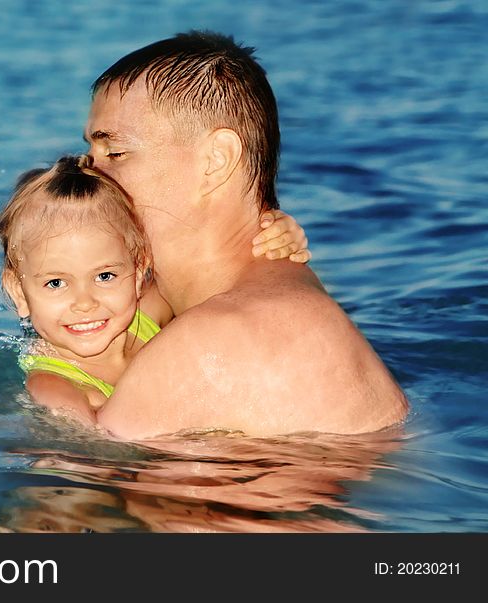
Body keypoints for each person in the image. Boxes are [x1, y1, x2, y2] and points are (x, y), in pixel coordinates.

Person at [77, 30, 408, 438]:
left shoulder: (208, 343)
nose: (87, 177)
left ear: (215, 162)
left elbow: (73, 485)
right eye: (89, 157)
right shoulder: (277, 291)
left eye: (116, 154)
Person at [0, 155, 310, 421]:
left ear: (137, 272)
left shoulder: (148, 313)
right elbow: (97, 461)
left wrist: (270, 236)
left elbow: (220, 274)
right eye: (56, 283)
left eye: (104, 276)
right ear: (19, 292)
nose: (85, 302)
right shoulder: (55, 389)